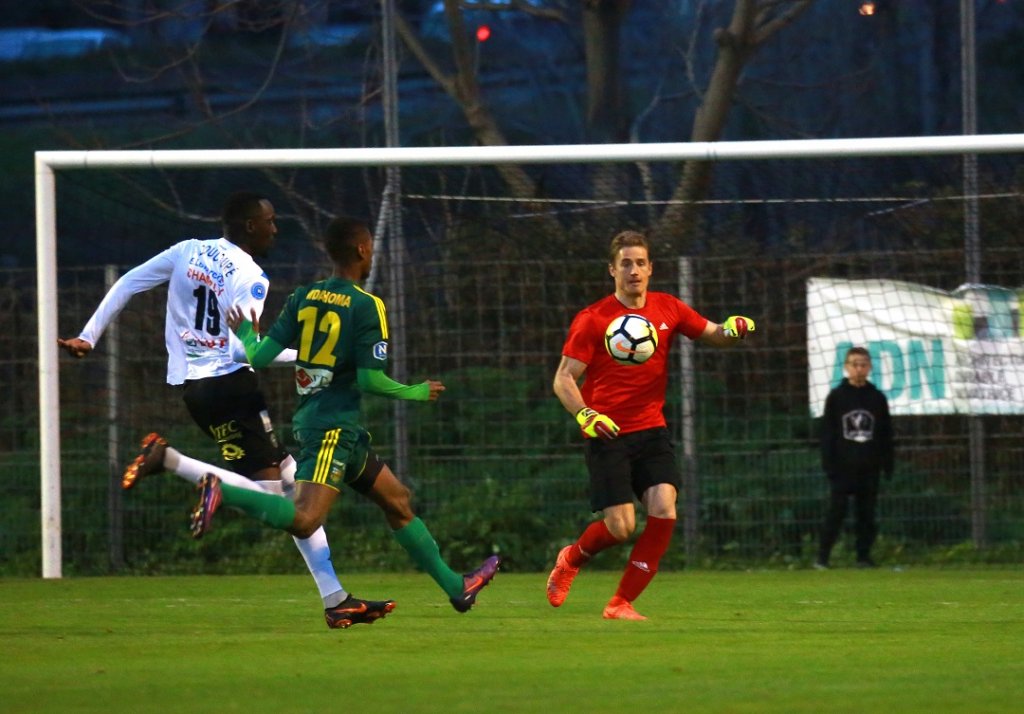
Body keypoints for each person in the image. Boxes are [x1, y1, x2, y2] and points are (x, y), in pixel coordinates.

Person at [57, 192, 384, 630]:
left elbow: (130, 281)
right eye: (269, 221)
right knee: (277, 499)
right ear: (250, 226)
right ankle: (181, 466)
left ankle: (336, 599)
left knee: (293, 487)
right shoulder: (251, 275)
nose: (275, 228)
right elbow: (241, 346)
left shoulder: (186, 251)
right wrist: (310, 357)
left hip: (195, 390)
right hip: (232, 387)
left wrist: (88, 335)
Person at [189, 216, 500, 614]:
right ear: (362, 250)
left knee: (398, 501)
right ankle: (223, 490)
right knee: (305, 520)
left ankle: (458, 586)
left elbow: (261, 357)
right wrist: (415, 392)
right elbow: (371, 380)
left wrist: (248, 334)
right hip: (330, 428)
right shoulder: (367, 306)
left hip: (336, 427)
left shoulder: (303, 296)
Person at [547, 230, 756, 620]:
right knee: (621, 527)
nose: (634, 271)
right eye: (625, 263)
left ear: (651, 269)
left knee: (665, 507)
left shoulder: (668, 308)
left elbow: (714, 333)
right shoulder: (593, 319)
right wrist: (585, 414)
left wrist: (734, 329)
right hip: (606, 432)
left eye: (640, 263)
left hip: (651, 429)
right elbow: (563, 379)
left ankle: (620, 603)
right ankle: (571, 557)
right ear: (612, 270)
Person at [815, 346, 893, 569]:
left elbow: (885, 433)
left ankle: (863, 556)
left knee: (866, 515)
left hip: (869, 467)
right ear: (846, 367)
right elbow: (828, 433)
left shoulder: (877, 398)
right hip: (842, 467)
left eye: (863, 364)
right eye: (854, 364)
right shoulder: (837, 397)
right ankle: (822, 557)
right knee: (836, 512)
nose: (859, 369)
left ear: (869, 367)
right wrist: (829, 465)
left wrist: (887, 464)